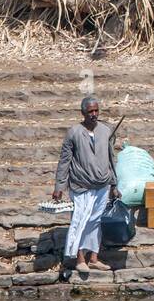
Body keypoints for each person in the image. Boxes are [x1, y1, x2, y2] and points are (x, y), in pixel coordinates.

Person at [52, 96, 121, 273]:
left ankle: (94, 258)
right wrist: (59, 187)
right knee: (81, 220)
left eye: (96, 111)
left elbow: (111, 159)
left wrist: (114, 184)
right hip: (81, 185)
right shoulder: (74, 133)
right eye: (90, 111)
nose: (94, 114)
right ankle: (80, 258)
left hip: (102, 184)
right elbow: (64, 161)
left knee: (96, 221)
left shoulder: (106, 131)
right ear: (83, 113)